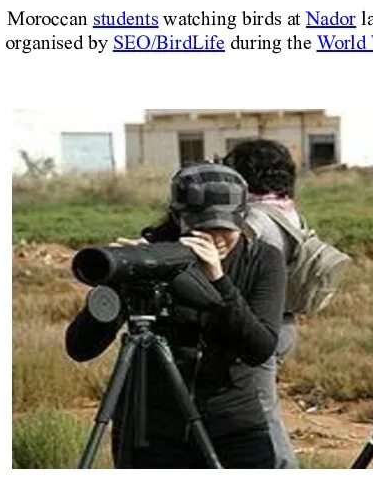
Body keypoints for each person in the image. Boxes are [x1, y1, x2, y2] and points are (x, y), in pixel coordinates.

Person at [65, 162, 287, 468]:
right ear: (178, 217)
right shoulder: (156, 257)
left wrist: (218, 282)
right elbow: (80, 347)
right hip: (154, 430)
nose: (214, 238)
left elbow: (259, 348)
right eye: (203, 228)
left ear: (243, 219)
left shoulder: (261, 259)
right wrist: (117, 286)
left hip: (233, 424)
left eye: (225, 228)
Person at [222, 138, 302, 469]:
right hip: (284, 321)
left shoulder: (255, 220)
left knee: (261, 414)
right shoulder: (286, 210)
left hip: (260, 324)